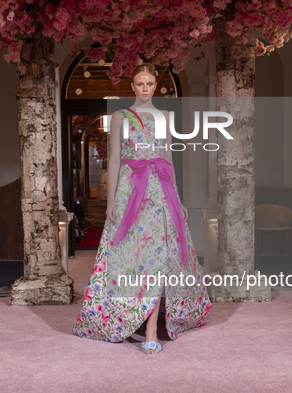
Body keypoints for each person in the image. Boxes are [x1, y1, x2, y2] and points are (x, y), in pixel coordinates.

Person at [72, 64, 211, 355]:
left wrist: (178, 198)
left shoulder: (165, 117)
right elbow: (113, 160)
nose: (145, 87)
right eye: (140, 83)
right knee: (129, 259)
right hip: (129, 191)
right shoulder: (120, 116)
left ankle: (150, 329)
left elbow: (169, 158)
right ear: (132, 86)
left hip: (160, 192)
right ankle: (130, 316)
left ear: (155, 85)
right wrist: (111, 201)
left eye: (149, 83)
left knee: (159, 258)